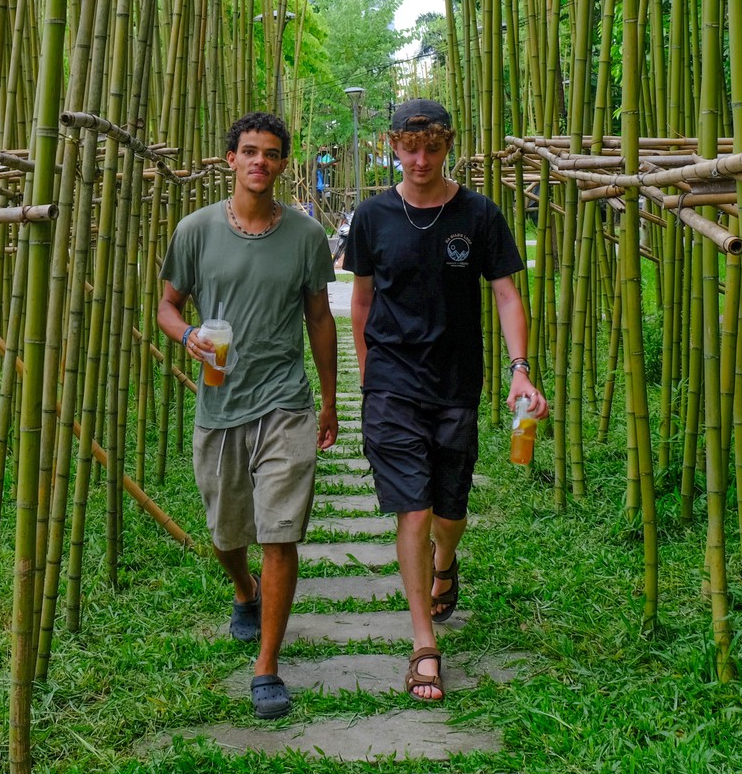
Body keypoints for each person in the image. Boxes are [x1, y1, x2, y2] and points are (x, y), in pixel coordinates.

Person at [343, 98, 543, 702]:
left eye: (432, 148)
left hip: (457, 381)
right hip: (392, 385)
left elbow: (506, 294)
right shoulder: (372, 216)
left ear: (447, 146)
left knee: (448, 512)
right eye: (410, 147)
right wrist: (369, 376)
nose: (420, 159)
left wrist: (520, 368)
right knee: (413, 508)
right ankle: (423, 643)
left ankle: (445, 561)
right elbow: (360, 303)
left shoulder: (478, 214)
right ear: (393, 146)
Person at [158, 112, 338, 719]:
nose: (261, 161)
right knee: (226, 534)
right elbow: (167, 305)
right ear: (230, 159)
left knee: (279, 533)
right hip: (219, 404)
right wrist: (187, 338)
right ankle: (243, 589)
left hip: (285, 400)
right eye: (250, 151)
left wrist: (331, 399)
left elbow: (319, 319)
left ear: (285, 164)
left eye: (272, 153)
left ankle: (267, 667)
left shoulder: (308, 238)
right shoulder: (196, 230)